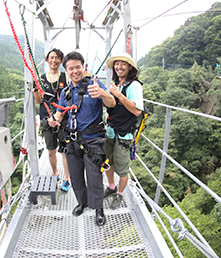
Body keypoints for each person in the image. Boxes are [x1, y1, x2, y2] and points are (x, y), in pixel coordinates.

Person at [47, 51, 116, 226]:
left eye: (78, 67)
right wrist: (54, 120)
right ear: (67, 71)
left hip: (93, 140)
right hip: (73, 140)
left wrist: (101, 93)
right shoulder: (66, 92)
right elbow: (60, 114)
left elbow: (112, 103)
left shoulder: (94, 84)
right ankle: (82, 202)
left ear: (83, 67)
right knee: (76, 176)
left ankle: (98, 208)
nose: (75, 71)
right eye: (71, 68)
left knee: (94, 176)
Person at [103, 52, 143, 209]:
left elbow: (137, 111)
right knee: (108, 162)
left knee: (122, 168)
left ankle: (119, 194)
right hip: (110, 130)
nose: (119, 67)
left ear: (130, 67)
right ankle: (111, 187)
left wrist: (119, 96)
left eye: (123, 64)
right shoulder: (116, 84)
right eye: (117, 64)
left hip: (124, 134)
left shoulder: (134, 86)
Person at [34, 48, 71, 192]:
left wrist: (59, 117)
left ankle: (66, 179)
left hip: (63, 119)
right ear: (47, 60)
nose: (54, 60)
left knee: (65, 151)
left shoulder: (66, 77)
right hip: (46, 118)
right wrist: (36, 88)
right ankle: (55, 173)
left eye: (57, 58)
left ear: (61, 61)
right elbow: (39, 101)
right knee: (51, 150)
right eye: (51, 57)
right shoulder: (41, 78)